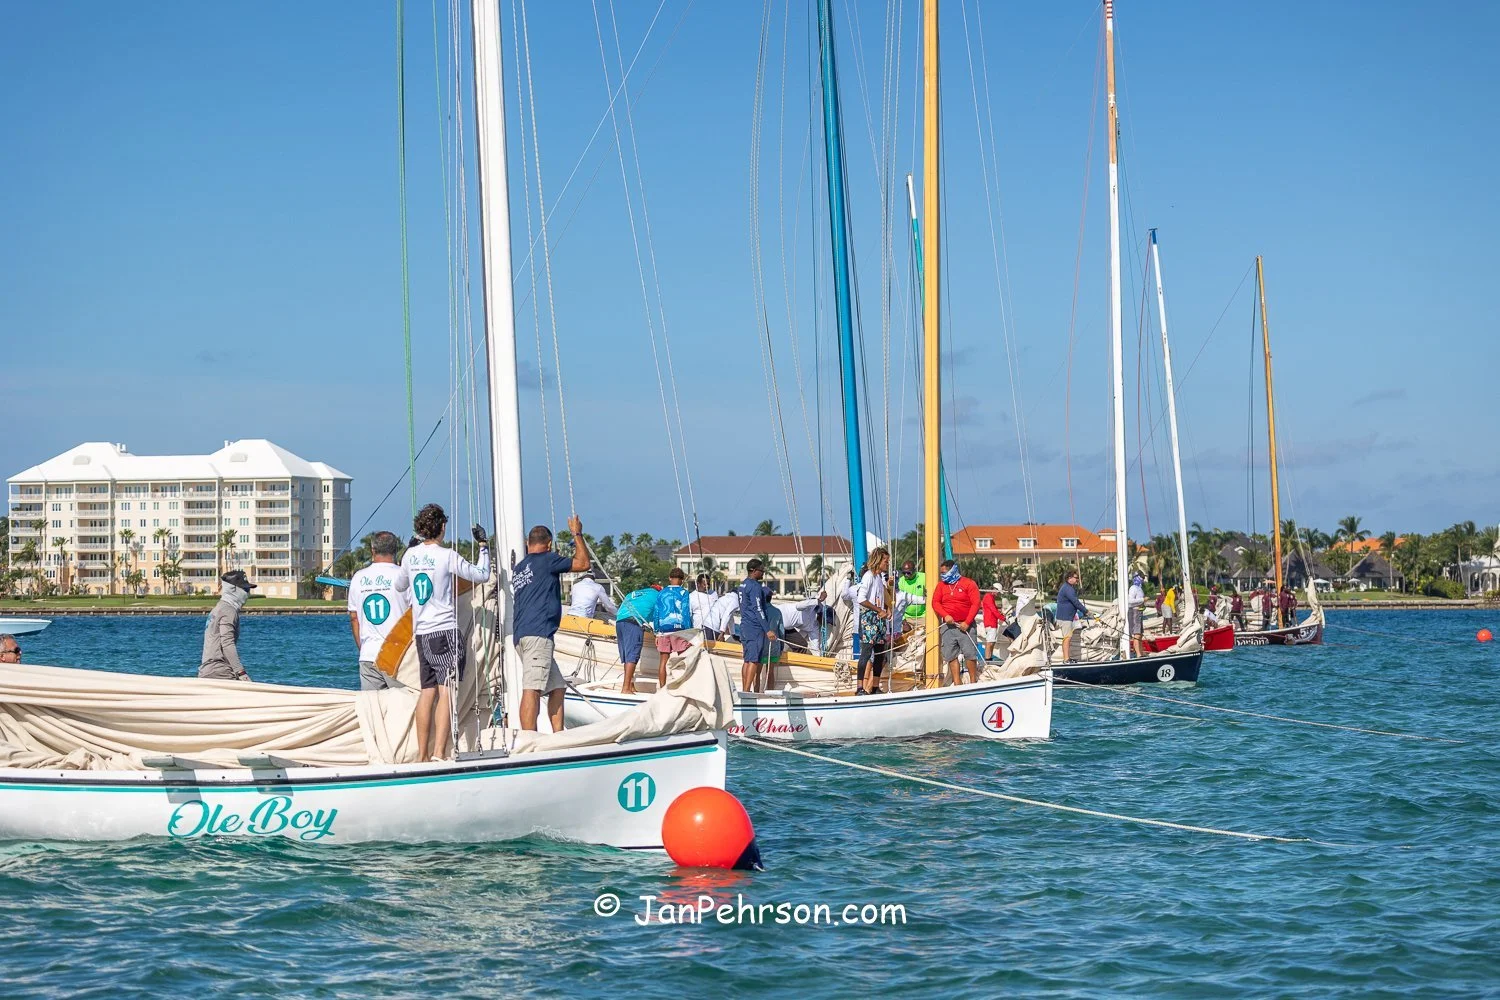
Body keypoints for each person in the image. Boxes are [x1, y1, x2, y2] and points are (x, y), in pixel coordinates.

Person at [401, 503, 491, 761]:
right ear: (442, 527)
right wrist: (483, 547)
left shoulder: (409, 557)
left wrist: (407, 555)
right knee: (447, 692)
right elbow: (482, 575)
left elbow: (399, 585)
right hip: (444, 632)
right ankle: (439, 752)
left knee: (427, 692)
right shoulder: (446, 555)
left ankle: (422, 756)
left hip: (422, 634)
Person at [512, 515, 588, 732]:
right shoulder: (548, 559)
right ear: (548, 545)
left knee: (557, 687)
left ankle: (558, 735)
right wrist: (576, 534)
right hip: (538, 634)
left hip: (523, 634)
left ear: (528, 544)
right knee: (533, 688)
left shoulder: (520, 568)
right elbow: (583, 563)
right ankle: (529, 737)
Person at [346, 531, 411, 691]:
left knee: (372, 709)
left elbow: (354, 618)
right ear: (396, 550)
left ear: (372, 550)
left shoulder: (358, 577)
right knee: (402, 706)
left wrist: (364, 647)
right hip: (398, 654)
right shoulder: (403, 576)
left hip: (368, 654)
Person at [931, 559, 982, 685]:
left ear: (953, 570)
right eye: (941, 573)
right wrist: (945, 615)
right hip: (948, 627)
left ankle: (972, 681)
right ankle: (957, 682)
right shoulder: (941, 586)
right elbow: (935, 602)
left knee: (970, 654)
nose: (943, 576)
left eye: (945, 572)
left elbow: (976, 603)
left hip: (966, 626)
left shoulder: (969, 583)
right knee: (950, 655)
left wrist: (967, 621)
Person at [199, 569, 256, 681]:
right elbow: (227, 643)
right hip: (220, 671)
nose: (248, 593)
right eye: (245, 589)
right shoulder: (229, 611)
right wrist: (241, 672)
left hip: (207, 670)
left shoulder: (218, 608)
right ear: (233, 590)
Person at [855, 547, 893, 694]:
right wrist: (879, 610)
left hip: (879, 620)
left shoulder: (878, 578)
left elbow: (879, 598)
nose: (887, 564)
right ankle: (859, 687)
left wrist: (886, 608)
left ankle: (875, 687)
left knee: (879, 654)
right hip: (869, 618)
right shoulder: (869, 576)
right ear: (879, 561)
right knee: (866, 653)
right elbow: (861, 599)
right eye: (885, 561)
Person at [615, 584, 661, 695]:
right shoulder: (658, 596)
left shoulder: (635, 593)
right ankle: (625, 688)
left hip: (620, 621)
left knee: (627, 655)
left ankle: (630, 685)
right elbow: (658, 617)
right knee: (632, 656)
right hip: (633, 622)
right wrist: (658, 632)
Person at [652, 568, 694, 689]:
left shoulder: (661, 593)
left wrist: (656, 632)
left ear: (670, 578)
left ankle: (662, 688)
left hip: (663, 630)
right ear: (682, 580)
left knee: (663, 662)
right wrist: (689, 632)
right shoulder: (684, 593)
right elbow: (686, 613)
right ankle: (683, 687)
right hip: (680, 630)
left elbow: (656, 613)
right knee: (683, 660)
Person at [737, 559, 773, 692]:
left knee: (747, 660)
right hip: (754, 626)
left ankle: (745, 689)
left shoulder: (743, 585)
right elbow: (758, 608)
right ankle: (746, 691)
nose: (763, 572)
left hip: (744, 625)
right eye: (761, 570)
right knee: (753, 659)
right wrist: (767, 629)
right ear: (753, 570)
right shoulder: (755, 586)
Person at [1055, 569, 1090, 663]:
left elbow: (1073, 599)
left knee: (1068, 637)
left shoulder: (1068, 588)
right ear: (1069, 578)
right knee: (1067, 638)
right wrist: (1086, 611)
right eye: (1076, 578)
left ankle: (1067, 658)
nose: (1077, 579)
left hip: (1067, 617)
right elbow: (1075, 602)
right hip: (1065, 618)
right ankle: (1066, 659)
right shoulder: (1067, 588)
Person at [979, 584, 1006, 661]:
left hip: (992, 622)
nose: (998, 594)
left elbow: (993, 609)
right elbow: (993, 610)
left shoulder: (990, 597)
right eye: (998, 592)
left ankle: (989, 658)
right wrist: (1002, 617)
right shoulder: (988, 597)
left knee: (992, 641)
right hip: (990, 622)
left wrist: (999, 614)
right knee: (990, 642)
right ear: (995, 590)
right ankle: (987, 659)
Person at [897, 561, 926, 627]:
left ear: (915, 570)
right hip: (907, 618)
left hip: (923, 617)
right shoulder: (900, 582)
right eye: (904, 573)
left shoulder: (924, 577)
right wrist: (903, 621)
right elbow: (897, 603)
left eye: (908, 573)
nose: (906, 575)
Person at [1127, 573, 1147, 657]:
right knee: (1137, 634)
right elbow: (1130, 601)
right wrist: (1143, 599)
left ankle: (1140, 653)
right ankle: (1139, 654)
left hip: (1139, 612)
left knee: (1140, 634)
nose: (1143, 579)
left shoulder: (1139, 588)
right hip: (1135, 612)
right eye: (1142, 577)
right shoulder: (1133, 588)